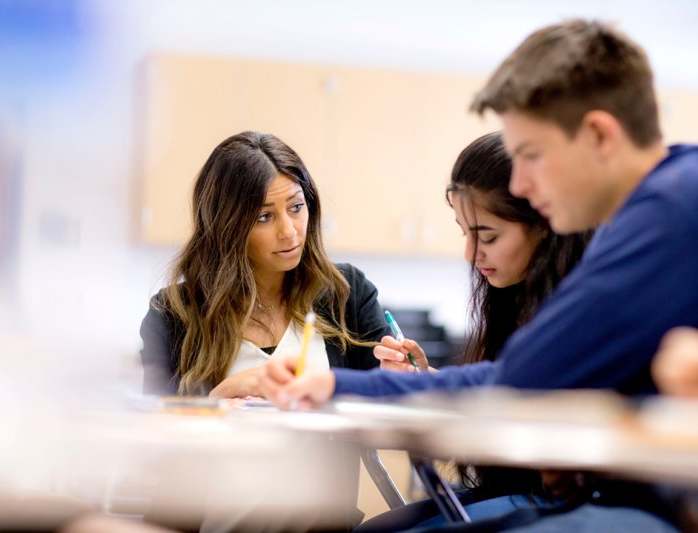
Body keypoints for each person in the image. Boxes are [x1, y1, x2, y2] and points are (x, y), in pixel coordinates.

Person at [261, 19, 695, 531]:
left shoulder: (666, 215)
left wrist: (337, 385)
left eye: (532, 155)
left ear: (600, 134)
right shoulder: (668, 196)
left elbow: (518, 380)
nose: (520, 182)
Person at [359, 133, 591, 531]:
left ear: (544, 223)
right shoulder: (514, 297)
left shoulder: (583, 306)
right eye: (464, 232)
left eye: (487, 236)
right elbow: (504, 393)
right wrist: (428, 381)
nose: (470, 253)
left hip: (564, 500)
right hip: (513, 485)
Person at [140, 130, 389, 398]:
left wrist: (402, 379)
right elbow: (155, 427)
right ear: (226, 226)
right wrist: (218, 398)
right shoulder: (171, 315)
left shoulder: (347, 292)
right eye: (264, 216)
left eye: (296, 207)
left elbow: (387, 401)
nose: (289, 232)